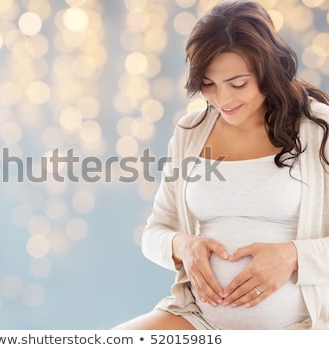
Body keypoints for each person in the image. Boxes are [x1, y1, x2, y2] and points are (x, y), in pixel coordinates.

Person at [114, 0, 329, 330]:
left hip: (301, 327)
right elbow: (154, 232)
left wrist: (293, 255)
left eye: (238, 84)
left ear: (268, 69)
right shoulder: (191, 132)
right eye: (208, 84)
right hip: (200, 319)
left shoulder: (318, 130)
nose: (222, 100)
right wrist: (182, 246)